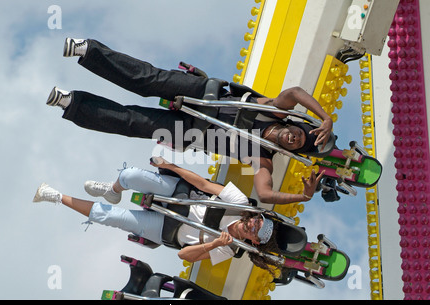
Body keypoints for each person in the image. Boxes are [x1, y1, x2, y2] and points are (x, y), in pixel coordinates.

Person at [46, 38, 329, 204]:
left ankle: (71, 103)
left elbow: (265, 194)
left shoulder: (262, 156)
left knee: (134, 122)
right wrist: (324, 118)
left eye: (297, 143)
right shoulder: (274, 110)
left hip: (191, 132)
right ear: (294, 124)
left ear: (291, 150)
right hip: (204, 95)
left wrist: (303, 197)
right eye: (297, 132)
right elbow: (293, 92)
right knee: (147, 80)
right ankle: (87, 50)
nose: (294, 137)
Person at [33, 156, 283, 273]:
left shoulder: (228, 250)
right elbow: (205, 185)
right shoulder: (240, 204)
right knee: (129, 175)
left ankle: (55, 196)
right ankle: (113, 190)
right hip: (180, 197)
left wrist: (215, 243)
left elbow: (186, 256)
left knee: (109, 217)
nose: (250, 224)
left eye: (254, 230)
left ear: (254, 241)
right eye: (256, 221)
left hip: (168, 227)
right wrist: (170, 166)